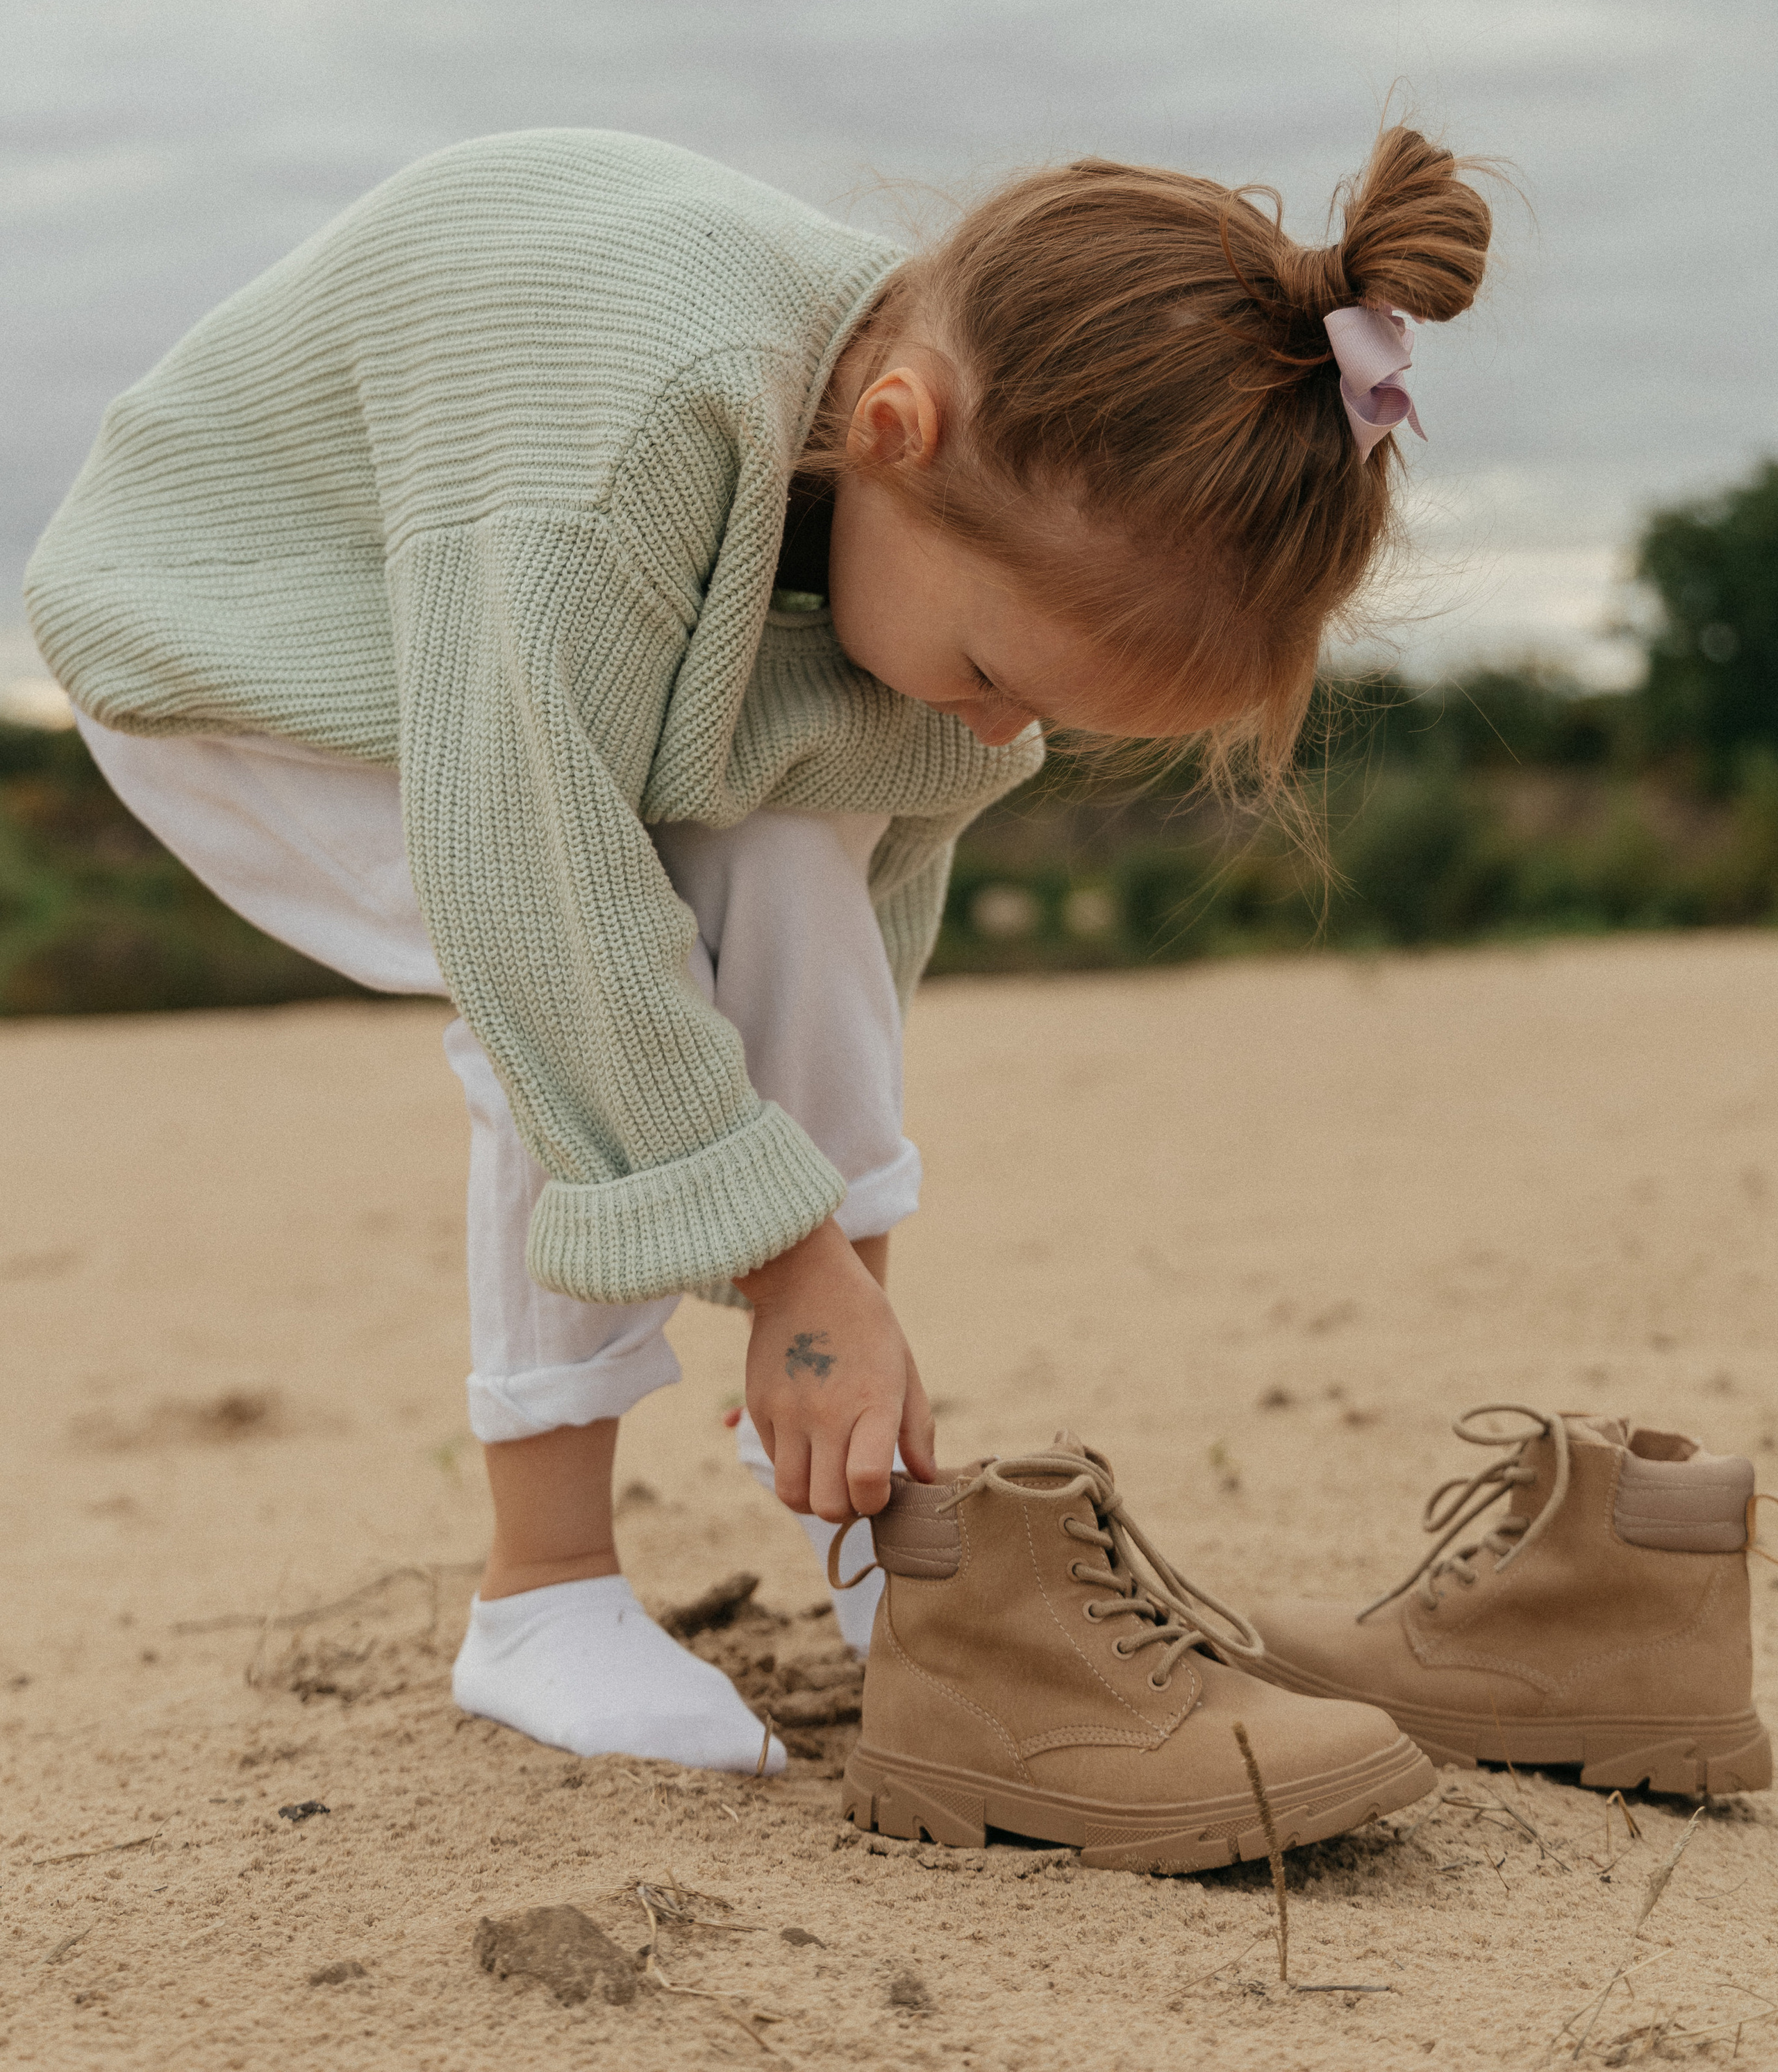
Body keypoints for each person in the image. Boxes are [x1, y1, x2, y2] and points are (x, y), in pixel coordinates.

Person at [24, 119, 1491, 1777]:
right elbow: (538, 884)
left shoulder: (918, 505)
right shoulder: (638, 421)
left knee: (779, 858)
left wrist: (828, 1317)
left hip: (537, 666)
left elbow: (858, 922)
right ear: (892, 432)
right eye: (996, 675)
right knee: (585, 983)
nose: (996, 728)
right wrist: (787, 1265)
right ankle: (542, 1591)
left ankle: (872, 1528)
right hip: (248, 635)